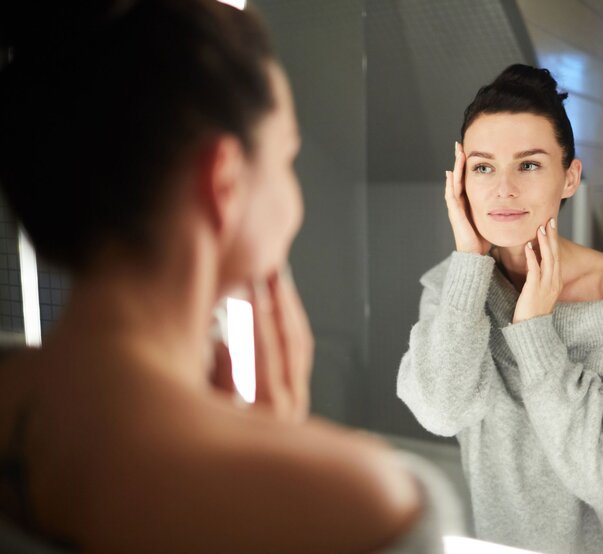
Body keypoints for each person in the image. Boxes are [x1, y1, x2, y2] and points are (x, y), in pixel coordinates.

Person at [0, 1, 462, 552]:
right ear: (223, 183)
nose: (297, 200)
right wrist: (284, 456)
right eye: (287, 158)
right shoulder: (365, 508)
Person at [397, 64, 603, 554]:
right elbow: (442, 413)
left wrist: (533, 330)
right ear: (461, 180)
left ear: (569, 177)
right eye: (483, 167)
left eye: (528, 164)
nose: (502, 189)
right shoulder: (453, 287)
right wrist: (469, 265)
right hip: (502, 540)